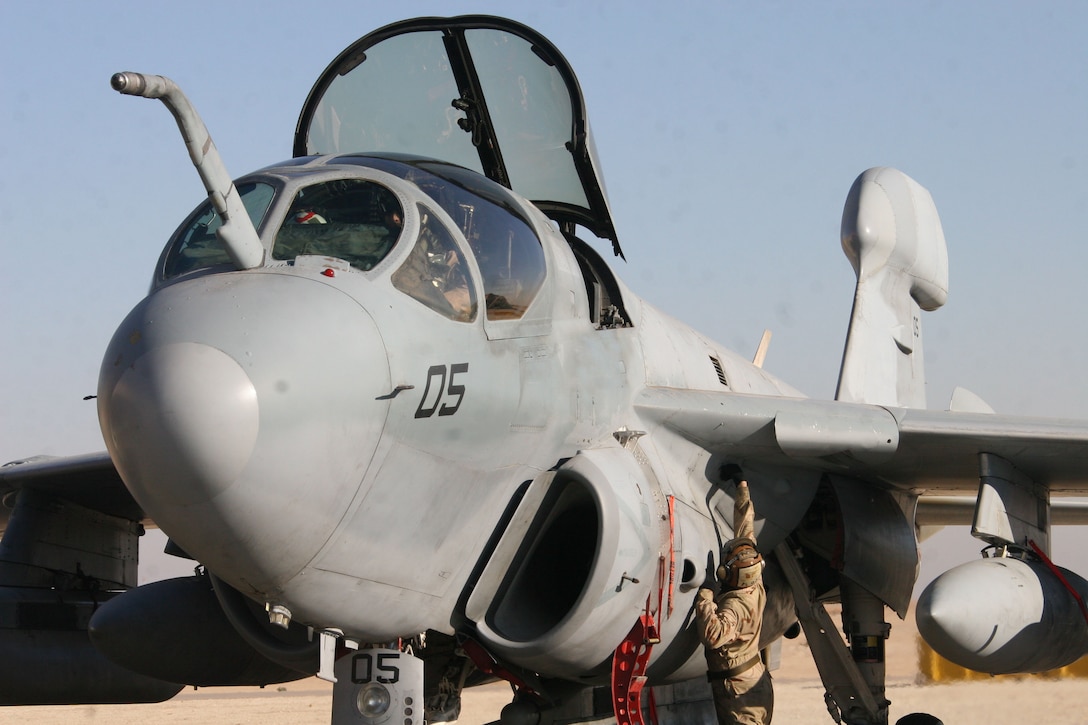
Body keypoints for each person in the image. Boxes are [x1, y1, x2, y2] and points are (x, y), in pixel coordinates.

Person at [695, 471, 773, 725]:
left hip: (738, 692)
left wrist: (706, 593)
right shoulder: (753, 579)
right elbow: (745, 527)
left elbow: (712, 635)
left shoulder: (733, 607)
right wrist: (741, 486)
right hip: (754, 679)